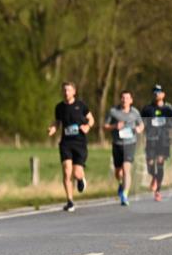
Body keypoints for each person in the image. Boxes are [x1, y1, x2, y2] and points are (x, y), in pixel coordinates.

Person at [47, 81, 94, 213]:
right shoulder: (59, 107)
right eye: (64, 90)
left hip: (79, 143)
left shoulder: (81, 105)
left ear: (74, 91)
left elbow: (91, 119)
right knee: (67, 171)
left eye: (68, 90)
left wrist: (87, 126)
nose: (66, 92)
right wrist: (53, 128)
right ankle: (70, 201)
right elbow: (57, 122)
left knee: (76, 173)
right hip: (66, 143)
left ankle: (80, 179)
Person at [103, 90, 144, 206]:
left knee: (126, 169)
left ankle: (125, 195)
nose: (124, 100)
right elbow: (104, 126)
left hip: (130, 143)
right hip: (117, 144)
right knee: (118, 173)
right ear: (120, 99)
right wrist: (114, 126)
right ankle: (121, 184)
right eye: (122, 98)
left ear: (131, 100)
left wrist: (139, 129)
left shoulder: (135, 112)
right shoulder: (113, 112)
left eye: (127, 98)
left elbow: (141, 124)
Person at [140, 85, 172, 202]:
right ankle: (154, 177)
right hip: (151, 139)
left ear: (163, 94)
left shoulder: (168, 108)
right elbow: (140, 122)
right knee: (150, 164)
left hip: (163, 140)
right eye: (155, 92)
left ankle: (158, 192)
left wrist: (170, 126)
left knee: (160, 163)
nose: (157, 94)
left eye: (159, 92)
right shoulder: (147, 108)